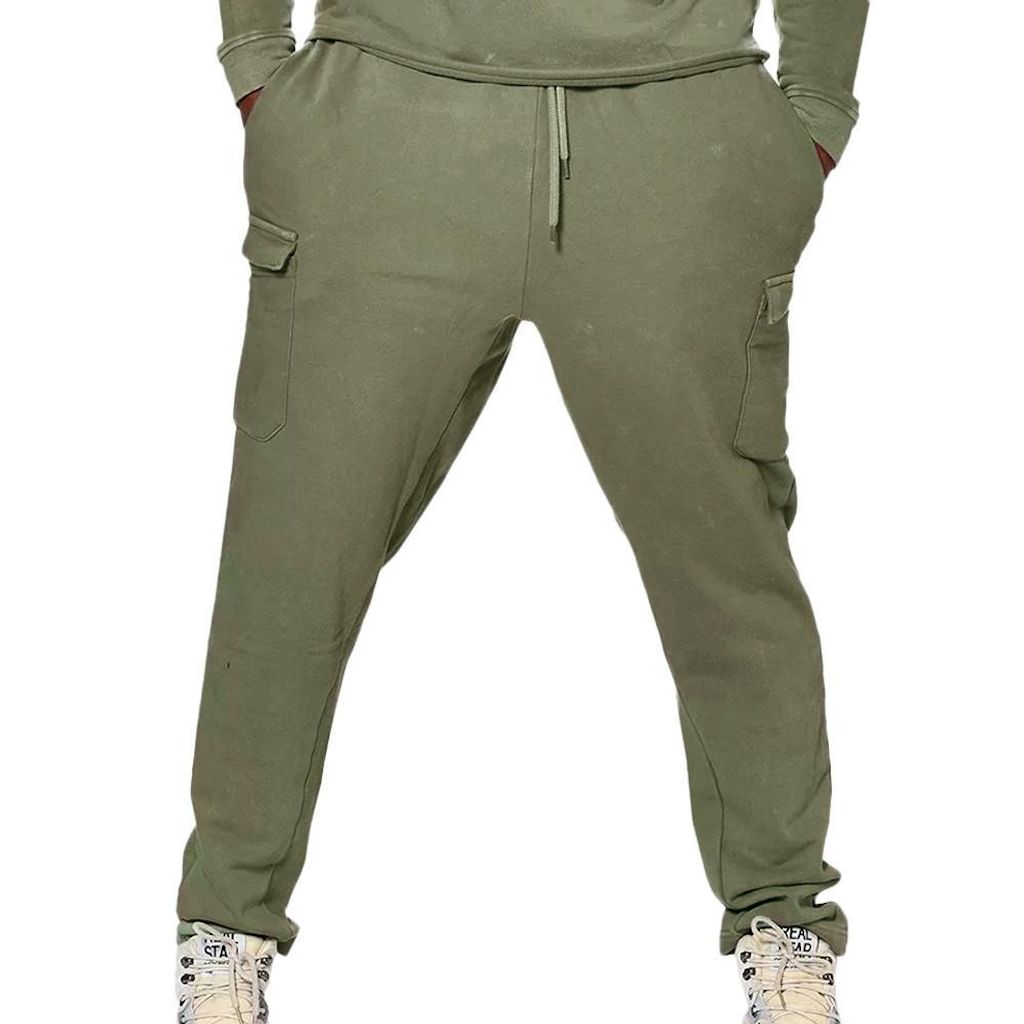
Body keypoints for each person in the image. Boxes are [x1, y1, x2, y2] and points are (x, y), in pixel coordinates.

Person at [175, 0, 867, 1018]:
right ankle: (224, 926)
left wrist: (815, 108)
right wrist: (253, 58)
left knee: (726, 570)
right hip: (383, 123)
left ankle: (785, 920)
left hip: (678, 137)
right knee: (293, 554)